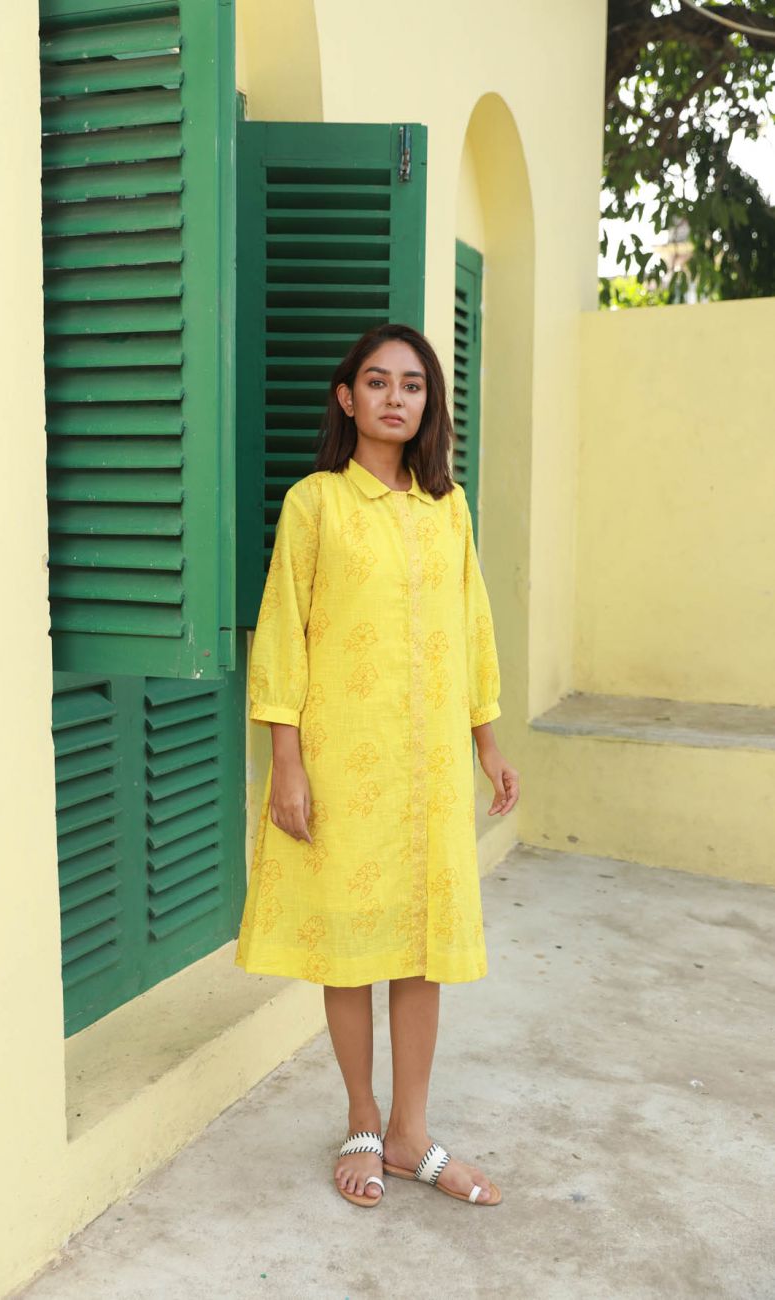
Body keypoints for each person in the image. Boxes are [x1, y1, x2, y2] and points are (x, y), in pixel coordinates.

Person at [234, 322, 520, 1208]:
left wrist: (486, 742)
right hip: (343, 761)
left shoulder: (451, 509)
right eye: (378, 381)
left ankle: (411, 1133)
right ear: (347, 398)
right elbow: (284, 632)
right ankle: (363, 1117)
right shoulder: (315, 503)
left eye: (414, 385)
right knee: (353, 945)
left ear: (429, 404)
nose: (397, 397)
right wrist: (287, 763)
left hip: (429, 769)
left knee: (423, 948)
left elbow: (472, 628)